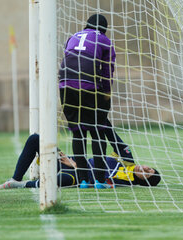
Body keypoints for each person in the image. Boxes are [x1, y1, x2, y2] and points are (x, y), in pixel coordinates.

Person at [59, 14, 116, 186]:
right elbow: (107, 70)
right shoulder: (105, 40)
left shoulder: (73, 37)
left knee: (78, 132)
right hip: (87, 85)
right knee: (98, 132)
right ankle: (99, 180)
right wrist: (106, 93)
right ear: (104, 29)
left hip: (64, 85)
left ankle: (83, 179)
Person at [0, 134, 161, 189]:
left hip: (76, 174)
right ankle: (15, 177)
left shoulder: (124, 182)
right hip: (72, 161)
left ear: (143, 181)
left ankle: (19, 185)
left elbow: (95, 181)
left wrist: (74, 165)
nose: (145, 169)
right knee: (36, 138)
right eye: (150, 168)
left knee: (62, 181)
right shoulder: (127, 160)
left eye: (146, 174)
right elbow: (112, 135)